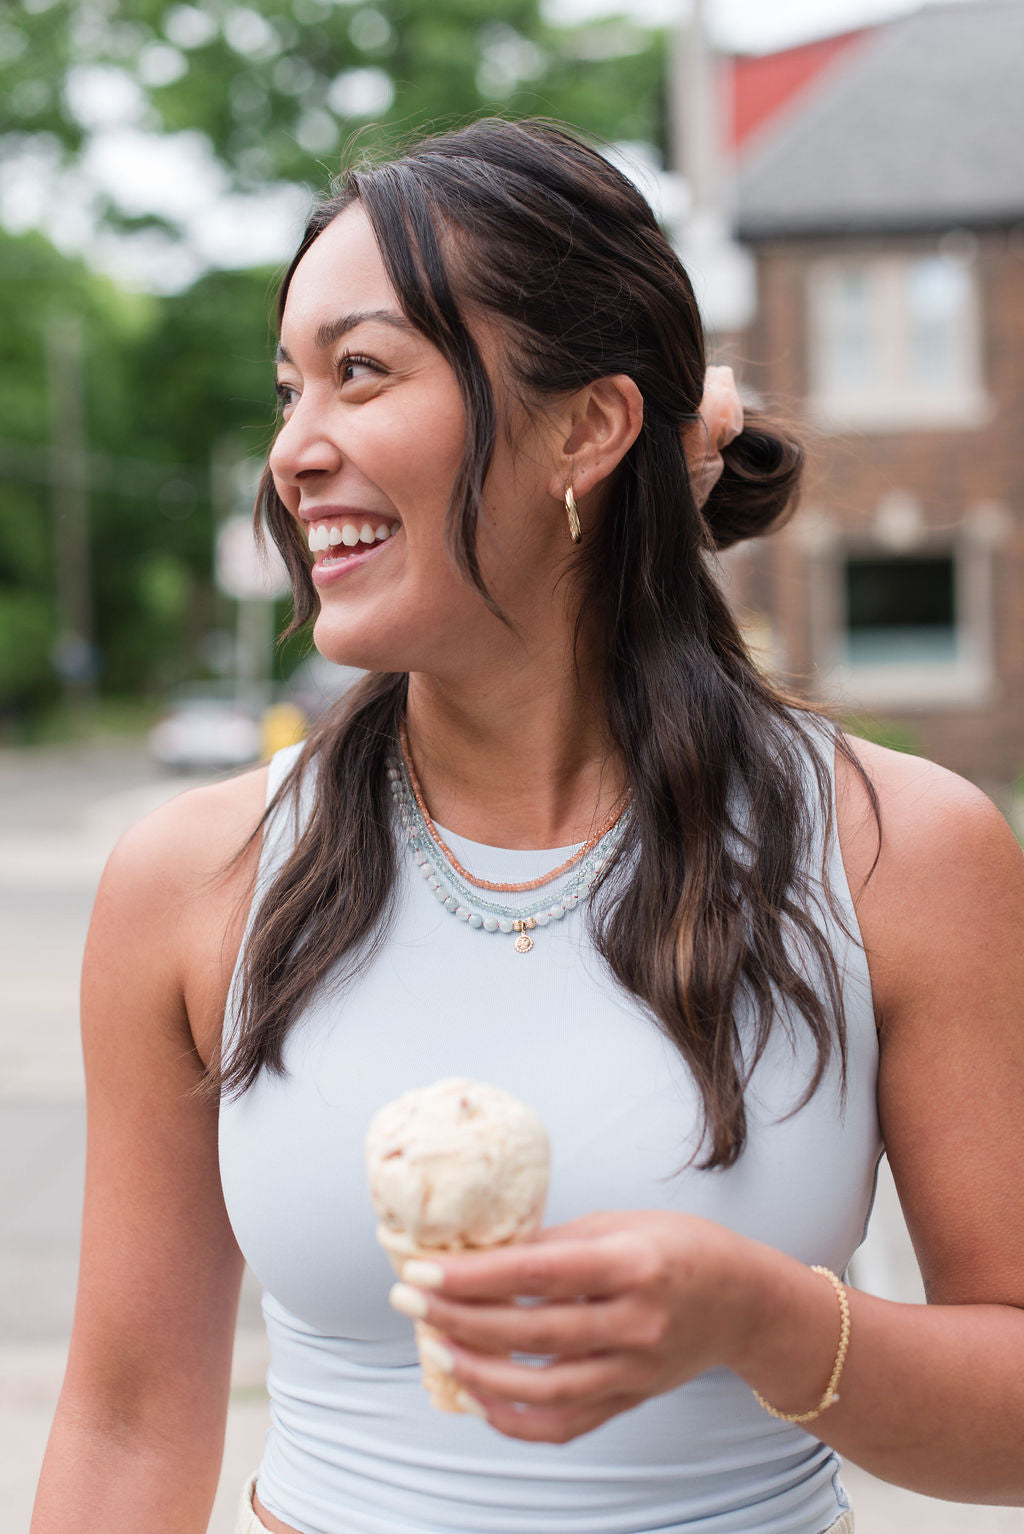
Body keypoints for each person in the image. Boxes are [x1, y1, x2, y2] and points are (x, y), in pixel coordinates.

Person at [31, 119, 1024, 1534]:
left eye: (361, 372)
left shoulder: (896, 849)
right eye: (288, 387)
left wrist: (766, 1319)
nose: (294, 452)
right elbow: (128, 1421)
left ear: (591, 427)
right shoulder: (193, 878)